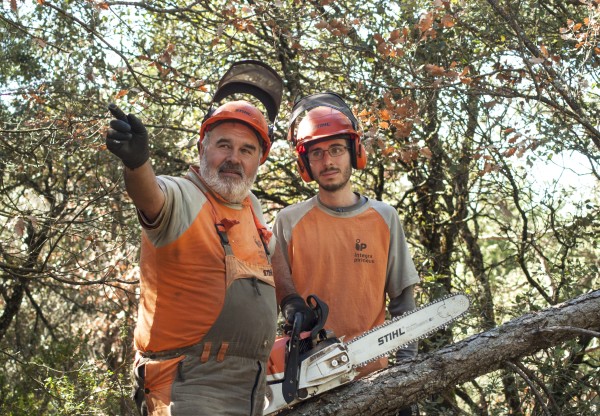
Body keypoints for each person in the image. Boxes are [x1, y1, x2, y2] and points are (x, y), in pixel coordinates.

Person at [106, 89, 284, 414]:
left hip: (251, 387)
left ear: (259, 159)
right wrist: (137, 164)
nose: (234, 158)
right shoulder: (183, 195)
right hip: (188, 384)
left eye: (246, 150)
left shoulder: (251, 207)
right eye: (224, 145)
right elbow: (150, 197)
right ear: (203, 147)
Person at [272, 92, 421, 414]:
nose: (328, 161)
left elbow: (402, 301)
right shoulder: (289, 221)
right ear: (305, 162)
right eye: (317, 153)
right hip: (308, 382)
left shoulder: (384, 217)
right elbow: (274, 297)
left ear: (354, 152)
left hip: (373, 377)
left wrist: (406, 373)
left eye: (336, 149)